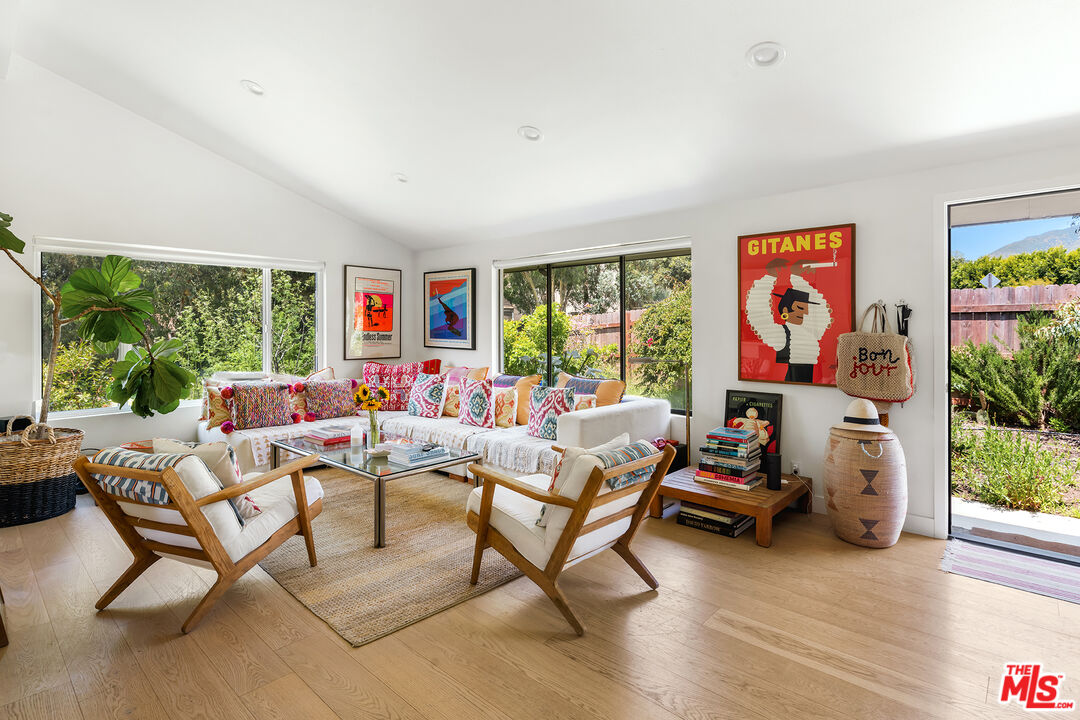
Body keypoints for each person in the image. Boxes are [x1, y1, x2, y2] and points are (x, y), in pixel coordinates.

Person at [745, 258, 832, 383]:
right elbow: (759, 316)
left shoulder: (810, 331)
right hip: (794, 386)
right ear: (785, 310)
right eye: (801, 308)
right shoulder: (781, 334)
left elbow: (823, 313)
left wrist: (797, 277)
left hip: (814, 387)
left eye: (806, 309)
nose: (805, 313)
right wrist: (770, 277)